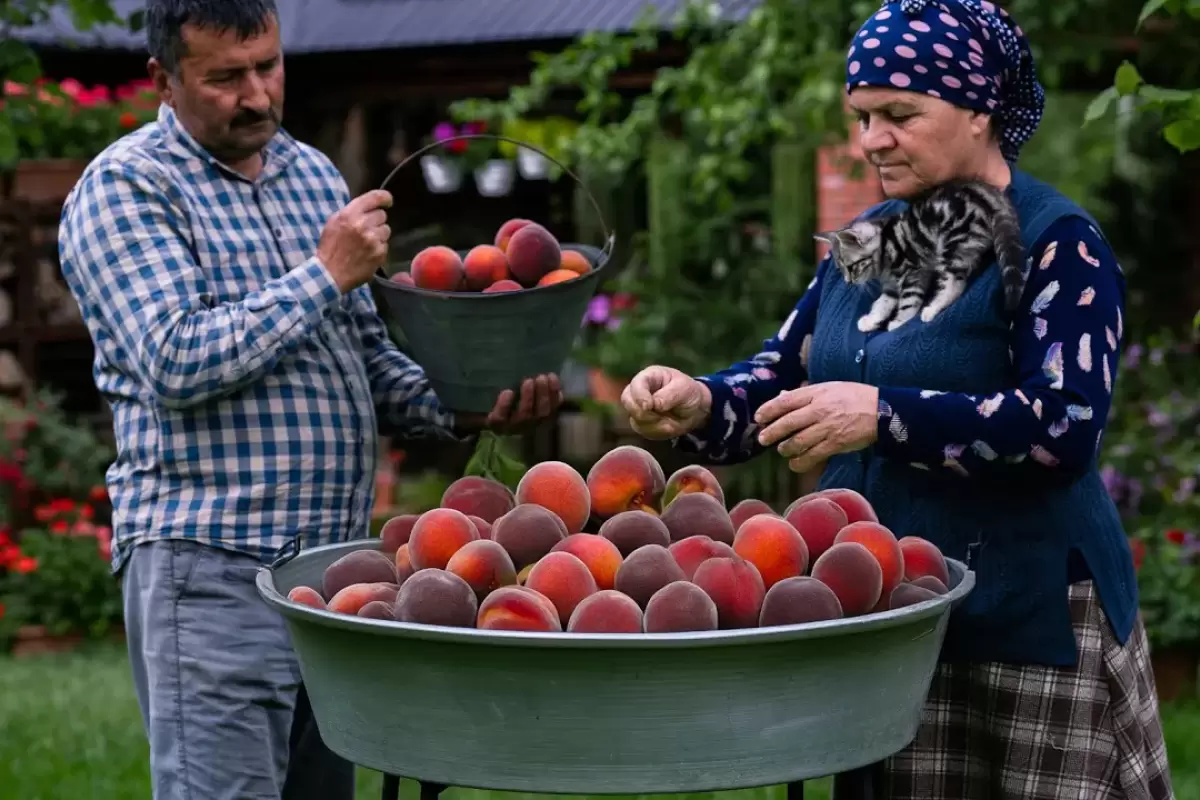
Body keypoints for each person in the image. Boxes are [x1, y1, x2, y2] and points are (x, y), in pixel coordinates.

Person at [621, 0, 1174, 796]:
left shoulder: (1058, 244)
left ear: (980, 108)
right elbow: (787, 371)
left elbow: (1065, 426)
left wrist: (882, 415)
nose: (871, 140)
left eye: (899, 115)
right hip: (886, 619)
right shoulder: (867, 242)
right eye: (863, 116)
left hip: (1026, 619)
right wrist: (702, 403)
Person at [57, 2, 561, 798]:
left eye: (268, 66)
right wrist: (322, 274)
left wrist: (465, 407)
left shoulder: (311, 176)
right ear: (163, 78)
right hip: (210, 566)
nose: (257, 95)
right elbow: (174, 359)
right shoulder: (126, 188)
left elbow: (363, 355)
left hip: (330, 577)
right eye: (225, 77)